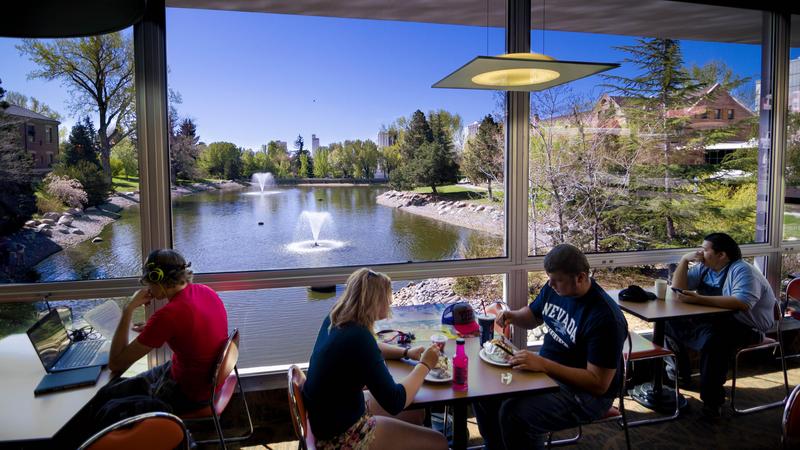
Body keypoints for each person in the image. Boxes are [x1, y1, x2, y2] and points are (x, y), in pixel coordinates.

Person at [474, 244, 627, 450]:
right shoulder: (555, 289)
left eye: (557, 280)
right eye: (549, 278)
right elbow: (533, 316)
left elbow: (598, 383)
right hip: (547, 373)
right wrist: (512, 316)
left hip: (587, 395)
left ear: (580, 277)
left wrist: (544, 365)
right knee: (486, 393)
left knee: (515, 413)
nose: (550, 284)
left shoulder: (605, 318)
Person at [302, 268, 448, 450]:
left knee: (417, 411)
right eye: (387, 298)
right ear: (375, 301)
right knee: (439, 442)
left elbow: (373, 347)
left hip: (328, 420)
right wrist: (426, 364)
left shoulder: (336, 318)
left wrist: (406, 353)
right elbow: (396, 401)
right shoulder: (359, 338)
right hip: (342, 438)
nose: (390, 302)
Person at [93, 248, 229, 415]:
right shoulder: (206, 291)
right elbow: (190, 331)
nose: (148, 287)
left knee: (106, 400)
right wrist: (155, 330)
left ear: (156, 278)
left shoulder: (168, 316)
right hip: (206, 382)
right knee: (120, 386)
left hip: (188, 392)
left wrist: (128, 309)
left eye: (148, 281)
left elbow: (115, 364)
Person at [666, 232, 776, 416]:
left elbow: (742, 303)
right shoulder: (705, 268)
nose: (700, 253)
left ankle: (712, 401)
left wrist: (699, 299)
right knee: (668, 322)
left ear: (722, 255)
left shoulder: (742, 270)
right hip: (716, 320)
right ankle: (680, 374)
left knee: (714, 342)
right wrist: (684, 261)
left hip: (745, 325)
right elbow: (679, 289)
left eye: (705, 249)